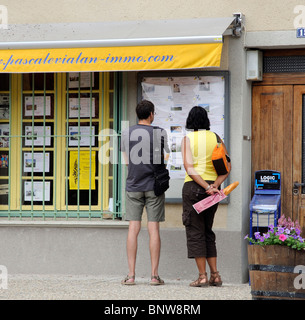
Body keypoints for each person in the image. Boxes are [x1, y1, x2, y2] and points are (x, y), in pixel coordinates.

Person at [120, 100, 169, 286]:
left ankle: (131, 275)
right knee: (153, 228)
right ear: (151, 114)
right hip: (153, 186)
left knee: (133, 228)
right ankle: (155, 276)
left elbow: (126, 160)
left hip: (133, 185)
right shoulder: (159, 133)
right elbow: (164, 159)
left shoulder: (126, 133)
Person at [181, 106, 231, 287]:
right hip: (213, 191)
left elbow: (189, 167)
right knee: (208, 231)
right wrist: (215, 185)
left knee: (195, 231)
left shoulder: (187, 138)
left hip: (194, 188)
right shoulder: (217, 138)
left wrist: (205, 186)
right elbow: (227, 167)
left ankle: (202, 276)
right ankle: (215, 275)